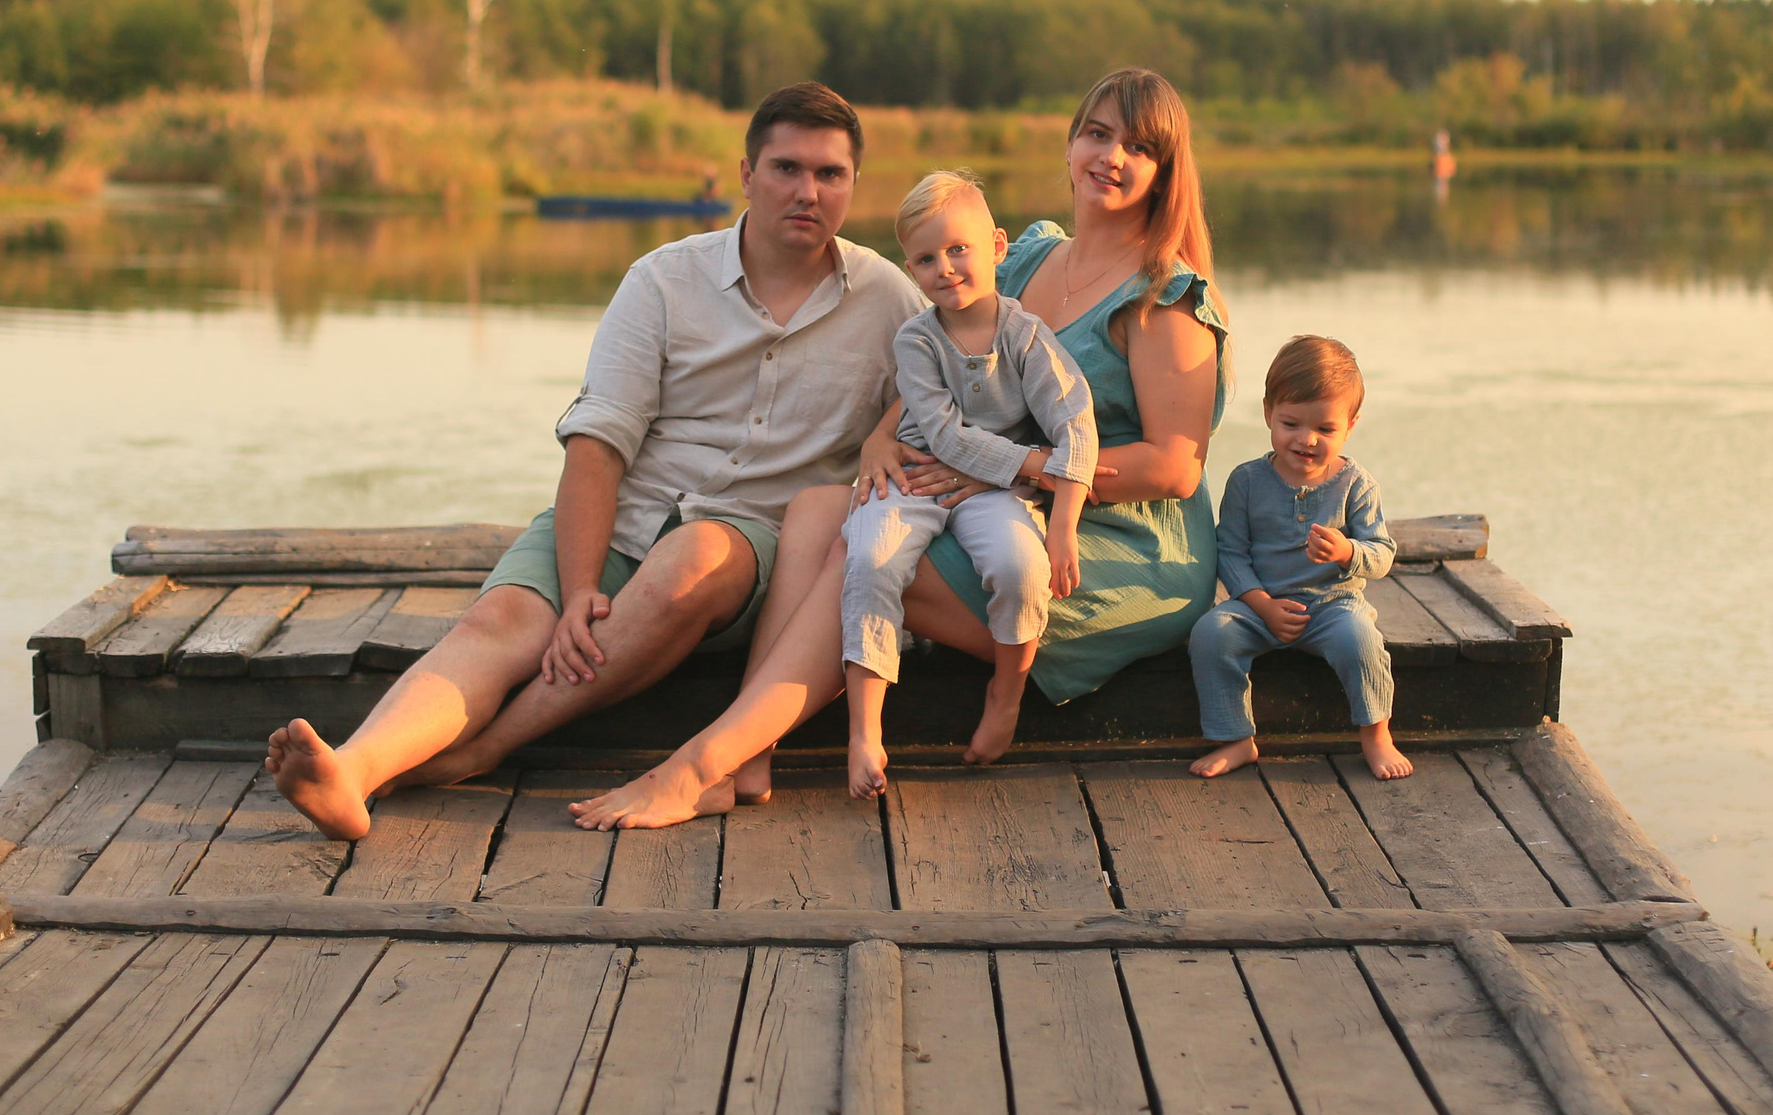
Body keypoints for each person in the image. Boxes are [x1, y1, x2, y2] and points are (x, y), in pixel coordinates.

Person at [566, 67, 1228, 831]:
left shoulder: (1163, 295)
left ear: (1164, 170)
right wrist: (883, 440)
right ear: (1073, 140)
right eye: (1098, 133)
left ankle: (695, 767)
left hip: (1113, 539)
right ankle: (749, 760)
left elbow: (1176, 468)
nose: (1112, 156)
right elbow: (928, 367)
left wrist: (1007, 468)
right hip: (997, 496)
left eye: (1139, 147)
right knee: (825, 502)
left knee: (871, 555)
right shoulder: (1026, 257)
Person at [265, 82, 924, 840]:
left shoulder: (888, 300)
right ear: (745, 173)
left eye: (829, 174)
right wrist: (579, 585)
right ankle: (353, 771)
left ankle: (482, 750)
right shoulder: (662, 280)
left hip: (752, 551)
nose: (807, 191)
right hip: (623, 516)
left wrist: (891, 434)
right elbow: (598, 443)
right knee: (501, 618)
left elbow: (956, 393)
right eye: (786, 168)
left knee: (693, 556)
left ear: (853, 184)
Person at [840, 170, 1098, 797]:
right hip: (920, 473)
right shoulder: (916, 340)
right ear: (912, 269)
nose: (946, 268)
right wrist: (1032, 463)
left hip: (993, 490)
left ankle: (1005, 695)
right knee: (870, 559)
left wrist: (1061, 523)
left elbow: (1078, 427)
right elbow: (947, 437)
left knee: (1020, 567)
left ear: (998, 248)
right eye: (926, 259)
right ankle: (864, 730)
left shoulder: (1026, 336)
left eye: (959, 249)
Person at [1187, 335, 1412, 782]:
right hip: (1261, 603)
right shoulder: (1248, 481)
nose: (1306, 440)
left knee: (1360, 640)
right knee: (1212, 633)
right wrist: (1262, 604)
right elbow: (1230, 551)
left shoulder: (1355, 484)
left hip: (1333, 604)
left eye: (1325, 430)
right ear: (1269, 411)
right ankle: (1236, 738)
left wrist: (1348, 551)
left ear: (1350, 425)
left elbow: (1382, 553)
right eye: (1291, 423)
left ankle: (1376, 734)